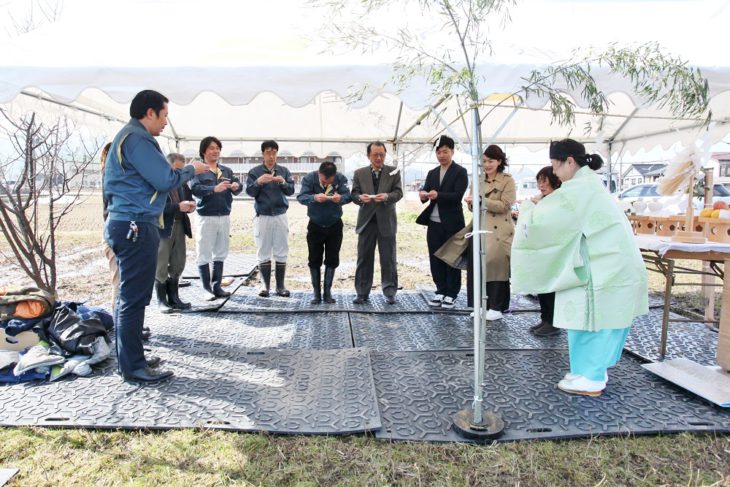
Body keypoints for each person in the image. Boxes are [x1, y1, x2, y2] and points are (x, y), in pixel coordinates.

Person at [512, 138, 648, 396]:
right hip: (605, 262)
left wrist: (528, 208)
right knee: (592, 319)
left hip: (606, 266)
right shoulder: (585, 185)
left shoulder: (579, 189)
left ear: (570, 162)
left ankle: (592, 376)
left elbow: (545, 219)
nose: (553, 171)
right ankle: (587, 370)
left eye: (555, 165)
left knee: (595, 320)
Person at [103, 89, 206, 383]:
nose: (165, 123)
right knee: (133, 299)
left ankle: (132, 358)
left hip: (131, 223)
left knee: (131, 296)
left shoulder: (131, 138)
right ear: (149, 113)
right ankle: (133, 366)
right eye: (164, 116)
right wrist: (191, 169)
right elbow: (164, 179)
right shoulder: (137, 139)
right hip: (135, 225)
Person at [416, 135, 468, 309]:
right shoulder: (432, 173)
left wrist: (439, 195)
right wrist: (423, 195)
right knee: (435, 257)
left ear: (452, 151)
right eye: (438, 152)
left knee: (451, 258)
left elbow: (457, 196)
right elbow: (426, 192)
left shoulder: (460, 172)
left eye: (445, 151)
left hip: (452, 222)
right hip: (433, 222)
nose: (441, 155)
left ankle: (452, 293)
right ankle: (440, 290)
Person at [465, 145, 516, 321]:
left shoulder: (508, 180)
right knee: (477, 268)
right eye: (484, 161)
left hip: (499, 231)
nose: (486, 165)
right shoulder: (477, 180)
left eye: (490, 161)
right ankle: (478, 305)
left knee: (497, 268)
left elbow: (506, 205)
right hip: (479, 229)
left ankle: (496, 306)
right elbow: (473, 206)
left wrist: (481, 201)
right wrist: (471, 203)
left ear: (499, 161)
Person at [350, 141, 403, 305]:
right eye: (375, 155)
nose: (379, 158)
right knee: (364, 258)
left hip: (386, 221)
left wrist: (387, 197)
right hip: (366, 221)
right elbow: (354, 194)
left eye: (382, 154)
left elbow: (399, 192)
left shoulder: (393, 172)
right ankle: (362, 292)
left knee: (388, 258)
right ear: (368, 156)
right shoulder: (359, 173)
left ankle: (390, 291)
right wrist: (360, 198)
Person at [190, 136, 243, 300]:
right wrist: (214, 188)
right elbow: (195, 189)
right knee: (204, 252)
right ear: (204, 151)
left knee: (220, 252)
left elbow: (238, 186)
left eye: (218, 148)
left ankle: (216, 286)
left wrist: (236, 186)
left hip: (224, 215)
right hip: (206, 216)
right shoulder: (198, 169)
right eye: (212, 148)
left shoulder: (226, 170)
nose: (216, 151)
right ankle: (206, 289)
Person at [297, 161, 352, 304]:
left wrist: (341, 199)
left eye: (330, 180)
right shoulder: (309, 179)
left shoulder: (341, 178)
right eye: (324, 179)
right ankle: (316, 293)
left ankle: (327, 292)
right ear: (319, 173)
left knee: (332, 258)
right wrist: (314, 198)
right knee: (314, 259)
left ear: (334, 176)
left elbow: (348, 196)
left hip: (334, 224)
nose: (326, 182)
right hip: (315, 224)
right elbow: (301, 197)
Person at [245, 140, 295, 297]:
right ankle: (265, 286)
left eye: (274, 152)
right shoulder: (254, 172)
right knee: (263, 249)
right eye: (268, 152)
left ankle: (280, 286)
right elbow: (250, 192)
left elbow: (291, 191)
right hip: (263, 215)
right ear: (262, 154)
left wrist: (283, 183)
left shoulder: (284, 170)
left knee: (281, 249)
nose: (271, 155)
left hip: (280, 214)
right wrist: (259, 182)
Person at [154, 153, 197, 312]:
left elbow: (188, 199)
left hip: (180, 225)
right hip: (164, 227)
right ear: (168, 166)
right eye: (177, 170)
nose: (179, 174)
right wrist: (178, 207)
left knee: (178, 261)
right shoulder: (159, 183)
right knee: (161, 263)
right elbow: (155, 208)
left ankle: (174, 297)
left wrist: (191, 206)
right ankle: (161, 300)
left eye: (181, 170)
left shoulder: (182, 184)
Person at [528, 166, 562, 337]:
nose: (541, 185)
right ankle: (545, 318)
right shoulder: (542, 198)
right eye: (539, 181)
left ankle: (553, 321)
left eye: (545, 181)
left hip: (553, 248)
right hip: (541, 247)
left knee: (550, 287)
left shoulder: (558, 199)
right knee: (542, 285)